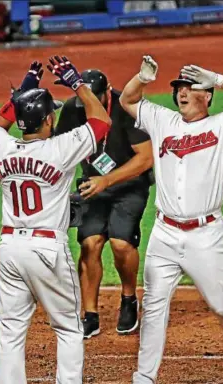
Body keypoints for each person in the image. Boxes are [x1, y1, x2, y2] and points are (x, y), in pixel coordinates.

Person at [113, 56, 223, 384]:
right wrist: (141, 77)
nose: (182, 93)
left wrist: (219, 78)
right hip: (165, 233)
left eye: (190, 88)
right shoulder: (163, 121)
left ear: (207, 95)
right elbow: (128, 101)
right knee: (153, 307)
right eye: (179, 88)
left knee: (221, 305)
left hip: (205, 235)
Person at [0, 56, 111, 384]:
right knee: (69, 329)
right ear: (48, 120)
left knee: (10, 333)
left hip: (9, 248)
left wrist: (23, 91)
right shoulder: (60, 149)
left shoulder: (1, 148)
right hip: (46, 250)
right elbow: (100, 120)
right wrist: (76, 83)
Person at [55, 69, 154, 339]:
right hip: (92, 185)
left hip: (129, 183)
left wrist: (107, 180)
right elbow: (59, 150)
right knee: (90, 244)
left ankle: (129, 298)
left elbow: (146, 158)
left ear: (107, 91)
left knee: (121, 244)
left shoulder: (125, 108)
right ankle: (90, 314)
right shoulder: (73, 110)